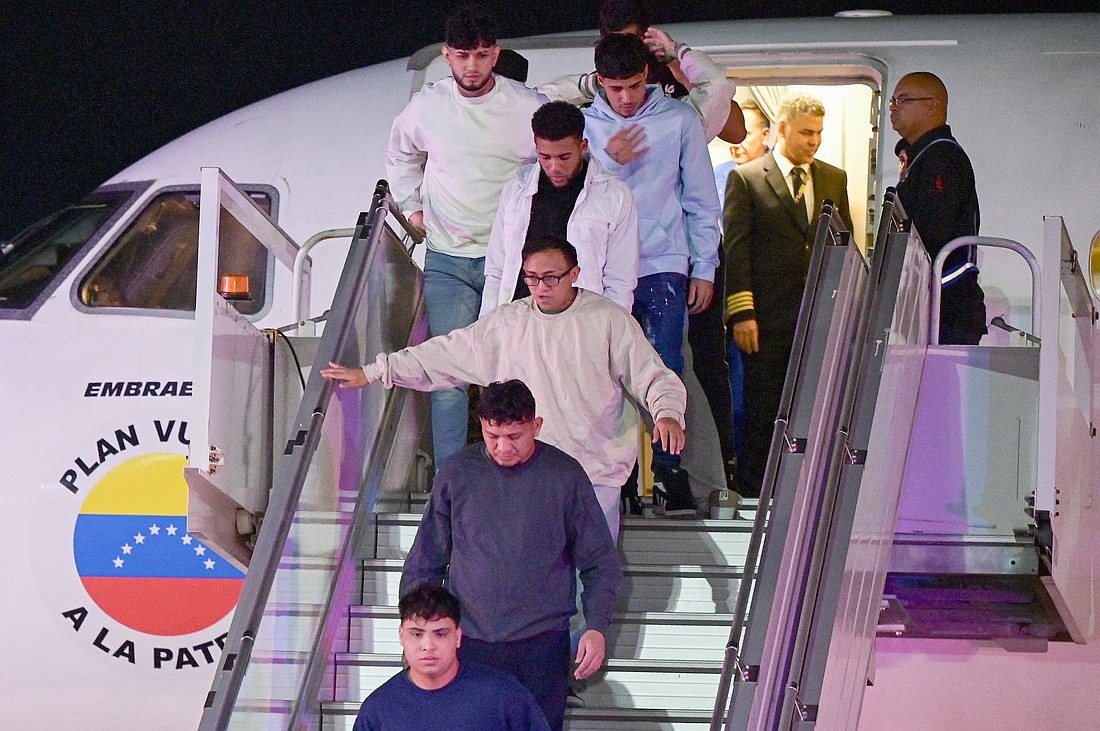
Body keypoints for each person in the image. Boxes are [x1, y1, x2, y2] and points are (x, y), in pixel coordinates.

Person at [321, 236, 688, 534]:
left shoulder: (608, 320)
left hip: (596, 473)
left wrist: (667, 413)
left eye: (551, 278)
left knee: (589, 582)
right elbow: (443, 355)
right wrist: (374, 371)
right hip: (530, 472)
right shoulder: (508, 324)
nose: (540, 287)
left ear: (574, 273)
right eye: (531, 278)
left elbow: (651, 375)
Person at [401, 380, 623, 731]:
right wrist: (416, 631)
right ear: (482, 427)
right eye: (493, 436)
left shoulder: (564, 475)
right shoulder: (457, 473)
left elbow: (600, 561)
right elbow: (425, 560)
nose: (503, 447)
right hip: (469, 642)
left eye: (515, 436)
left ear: (537, 426)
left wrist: (597, 626)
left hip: (541, 645)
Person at [385, 4, 547, 470]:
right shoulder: (429, 105)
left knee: (515, 373)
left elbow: (559, 166)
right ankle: (452, 480)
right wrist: (412, 204)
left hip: (511, 260)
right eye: (461, 56)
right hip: (448, 257)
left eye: (480, 55)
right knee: (448, 375)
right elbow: (400, 152)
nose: (471, 66)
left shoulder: (524, 106)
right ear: (446, 56)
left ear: (495, 55)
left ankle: (520, 470)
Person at [582, 32, 721, 515]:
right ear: (599, 82)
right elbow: (569, 193)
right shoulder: (585, 127)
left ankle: (667, 473)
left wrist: (704, 266)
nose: (627, 96)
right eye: (616, 87)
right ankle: (615, 476)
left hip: (663, 263)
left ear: (649, 77)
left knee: (664, 367)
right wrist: (605, 161)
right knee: (604, 373)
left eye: (636, 85)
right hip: (600, 270)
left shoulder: (679, 119)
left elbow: (702, 200)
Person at [723, 92, 853, 497]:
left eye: (818, 134)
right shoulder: (747, 179)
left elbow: (843, 244)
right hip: (766, 318)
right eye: (806, 133)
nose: (814, 142)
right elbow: (736, 250)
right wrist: (743, 313)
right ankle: (754, 489)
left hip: (819, 315)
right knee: (763, 407)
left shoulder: (833, 179)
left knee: (815, 404)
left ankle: (805, 489)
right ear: (781, 129)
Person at [480, 100, 639, 317]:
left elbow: (620, 281)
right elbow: (496, 270)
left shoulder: (615, 195)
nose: (555, 167)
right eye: (545, 157)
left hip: (580, 322)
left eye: (564, 157)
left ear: (583, 147)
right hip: (516, 318)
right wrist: (487, 325)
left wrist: (610, 334)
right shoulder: (514, 191)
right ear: (536, 148)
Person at [353, 583, 550, 731]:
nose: (428, 646)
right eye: (416, 634)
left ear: (457, 637)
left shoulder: (504, 696)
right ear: (401, 636)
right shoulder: (378, 709)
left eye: (440, 634)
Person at [540, 0, 742, 144]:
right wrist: (593, 84)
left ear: (646, 36)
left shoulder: (674, 72)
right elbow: (538, 101)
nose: (626, 97)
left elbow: (736, 133)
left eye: (631, 40)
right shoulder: (600, 88)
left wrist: (677, 63)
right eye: (616, 42)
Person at [890, 71, 986, 345]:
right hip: (931, 305)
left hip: (945, 307)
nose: (894, 109)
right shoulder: (924, 155)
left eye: (903, 100)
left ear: (932, 105)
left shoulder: (941, 157)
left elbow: (931, 231)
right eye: (892, 102)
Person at [712, 99, 772, 472]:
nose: (736, 142)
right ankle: (730, 464)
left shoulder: (778, 179)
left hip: (759, 301)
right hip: (716, 295)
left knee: (758, 391)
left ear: (766, 136)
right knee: (728, 386)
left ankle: (757, 468)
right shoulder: (716, 174)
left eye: (746, 133)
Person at [714, 99, 772, 195]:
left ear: (765, 136)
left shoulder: (781, 175)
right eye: (731, 135)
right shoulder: (719, 174)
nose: (735, 145)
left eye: (744, 135)